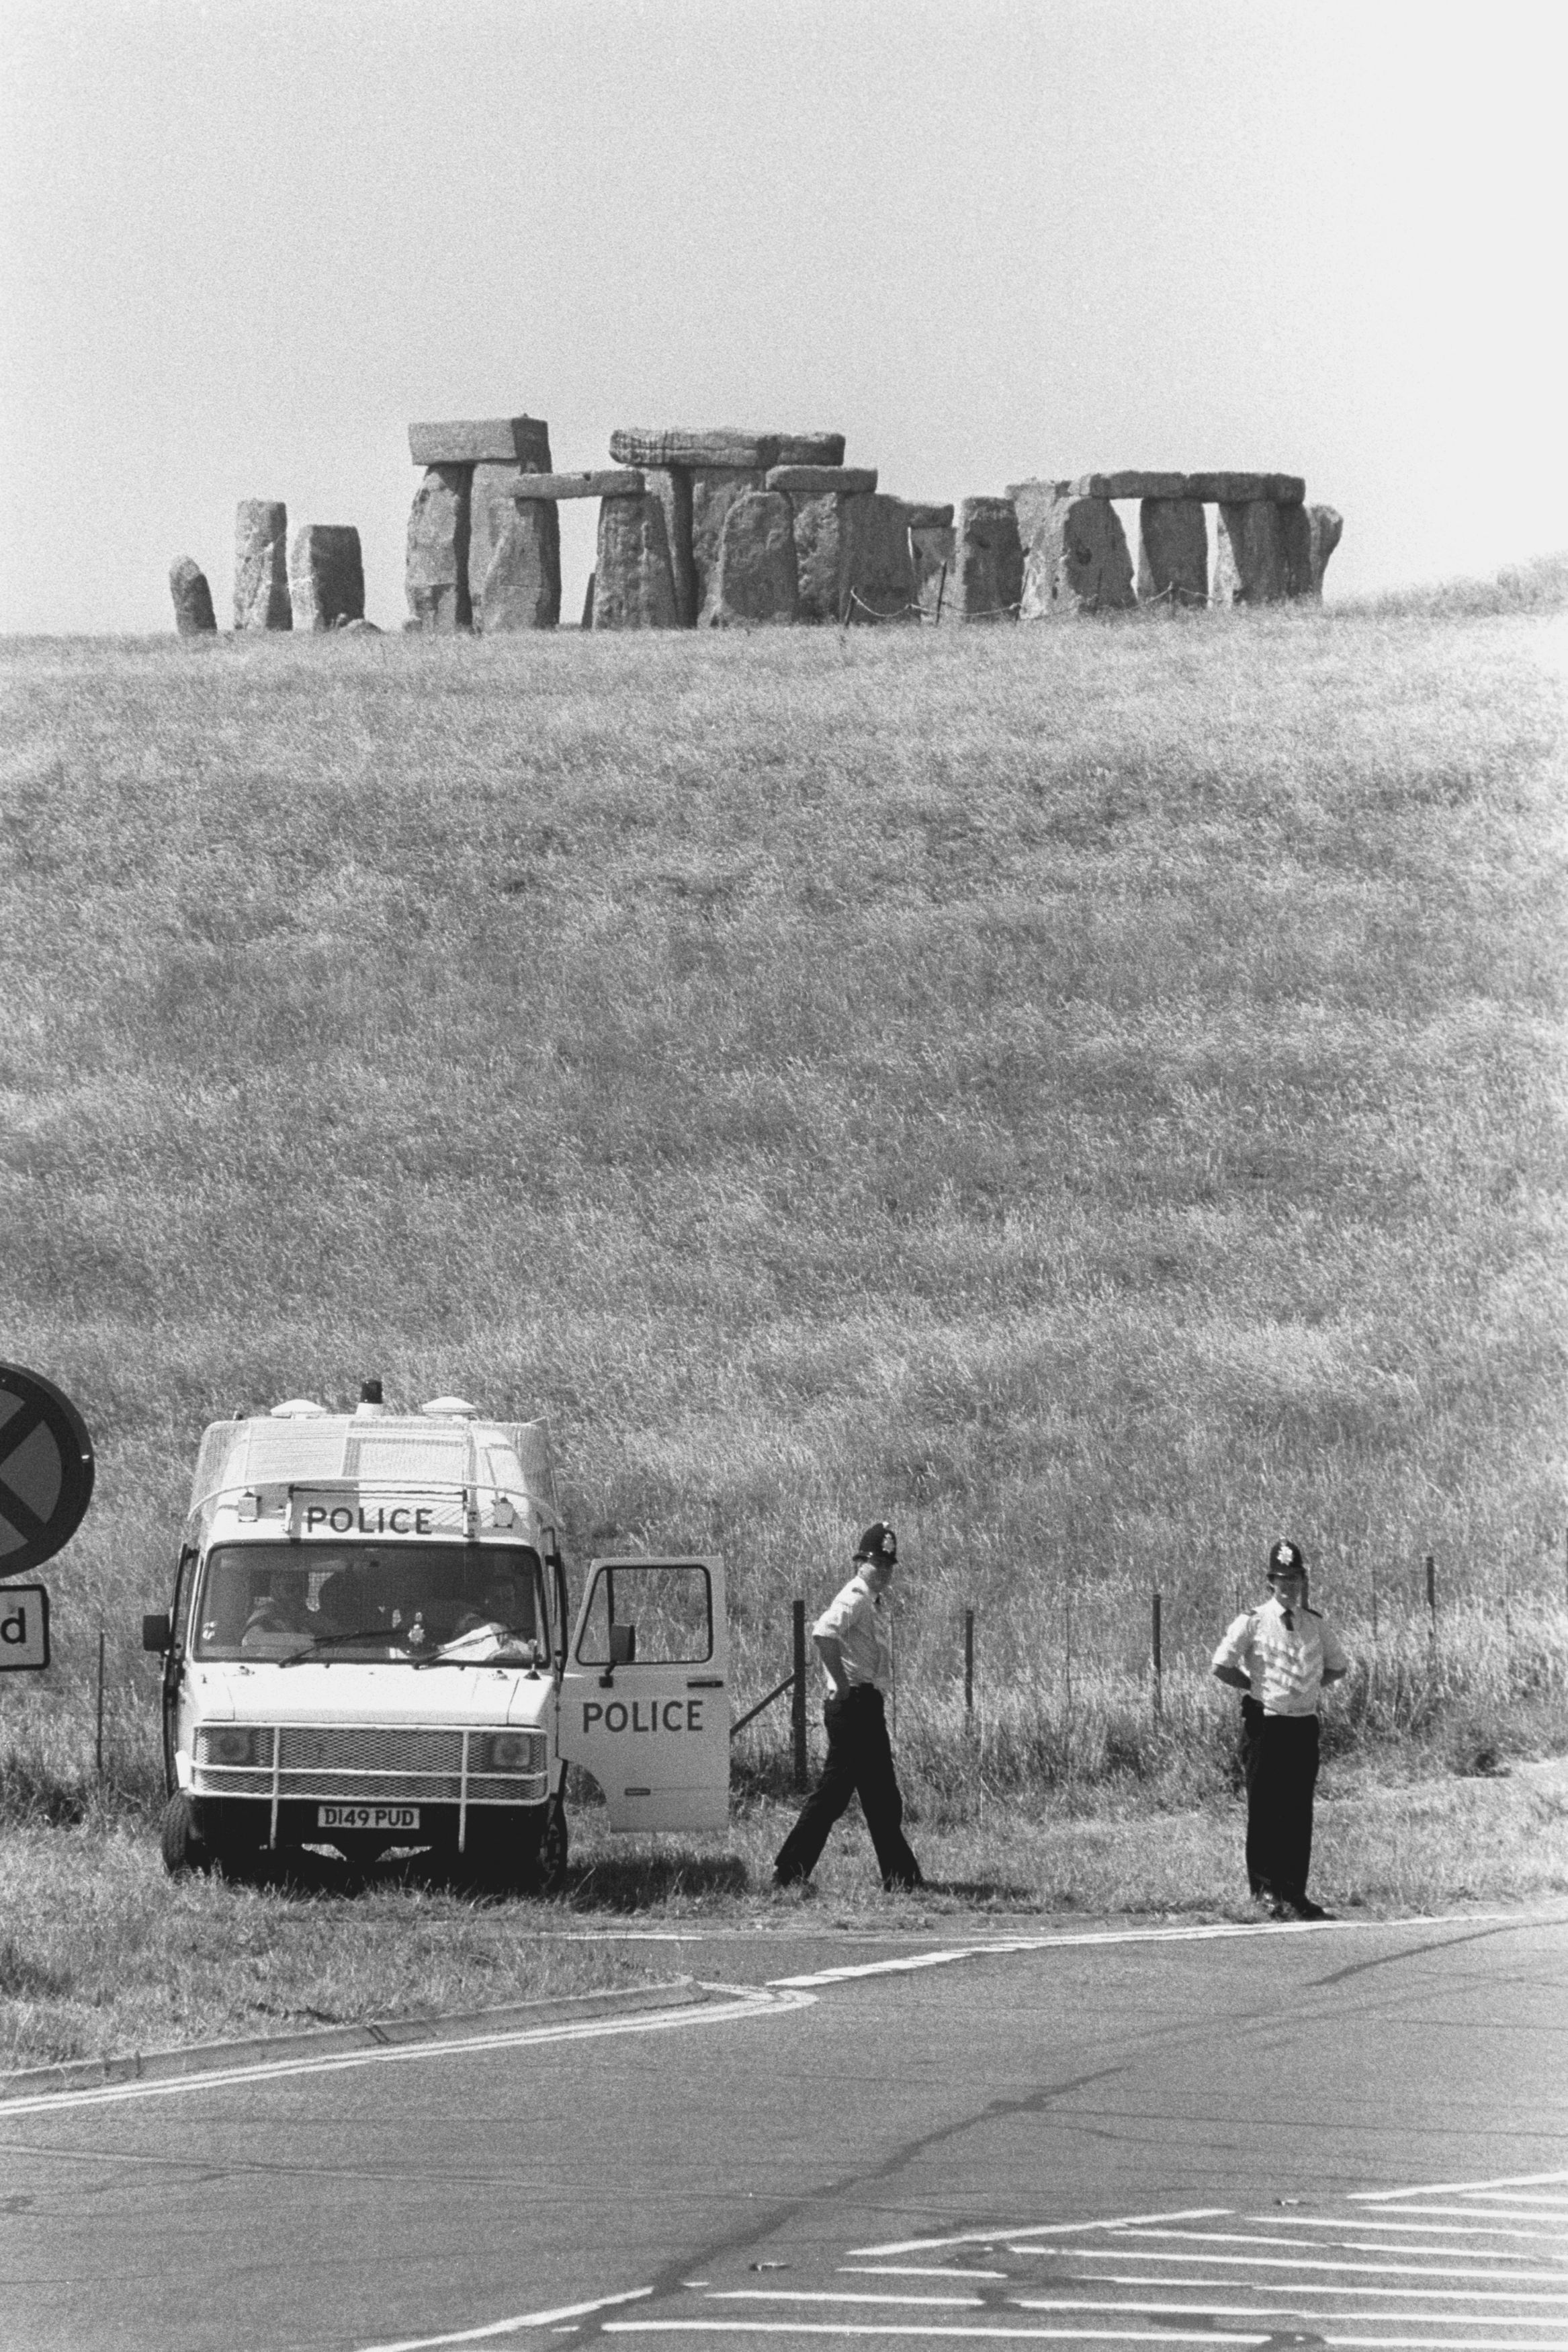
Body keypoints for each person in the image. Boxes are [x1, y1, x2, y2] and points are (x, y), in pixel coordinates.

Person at [772, 1521, 924, 1895]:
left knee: (881, 1795)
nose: (884, 1572)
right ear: (861, 1562)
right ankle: (789, 1872)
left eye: (889, 1566)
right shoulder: (856, 1595)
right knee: (834, 1795)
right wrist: (839, 1682)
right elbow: (823, 1633)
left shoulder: (870, 1599)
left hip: (865, 1704)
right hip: (852, 1704)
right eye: (878, 1564)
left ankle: (901, 1877)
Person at [1212, 1538, 1350, 1921]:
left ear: (1304, 1581)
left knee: (1297, 1812)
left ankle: (1294, 1893)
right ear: (1270, 1581)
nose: (1290, 1587)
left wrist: (1305, 1689)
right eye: (1282, 1579)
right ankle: (1265, 1892)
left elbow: (1339, 1666)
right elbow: (1221, 1665)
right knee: (1264, 1810)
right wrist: (1254, 1687)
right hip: (1266, 1725)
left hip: (1302, 1727)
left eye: (1296, 1579)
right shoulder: (1253, 1620)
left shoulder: (1315, 1624)